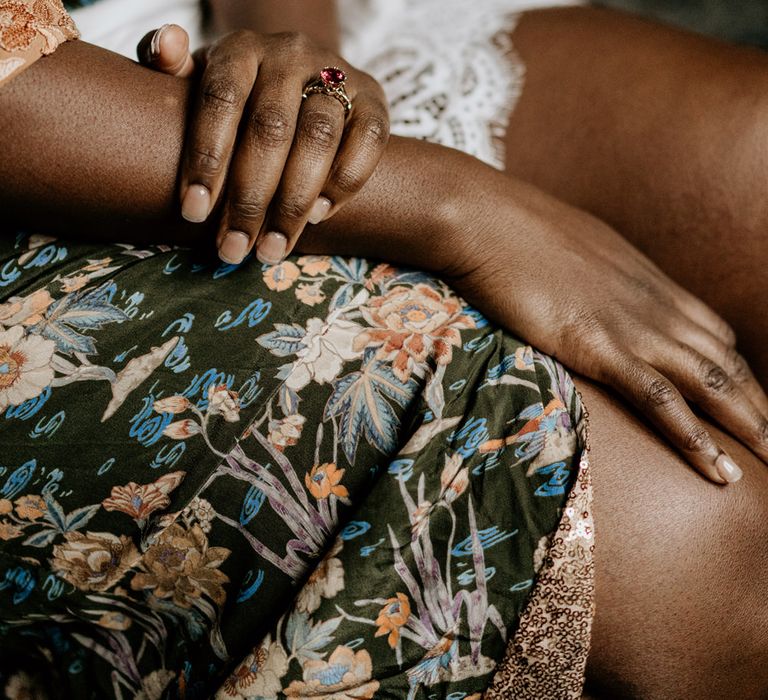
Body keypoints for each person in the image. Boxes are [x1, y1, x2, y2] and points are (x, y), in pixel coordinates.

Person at [1, 1, 768, 698]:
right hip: (39, 128)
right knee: (702, 556)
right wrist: (462, 208)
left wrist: (307, 78)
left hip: (191, 35)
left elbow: (306, 76)